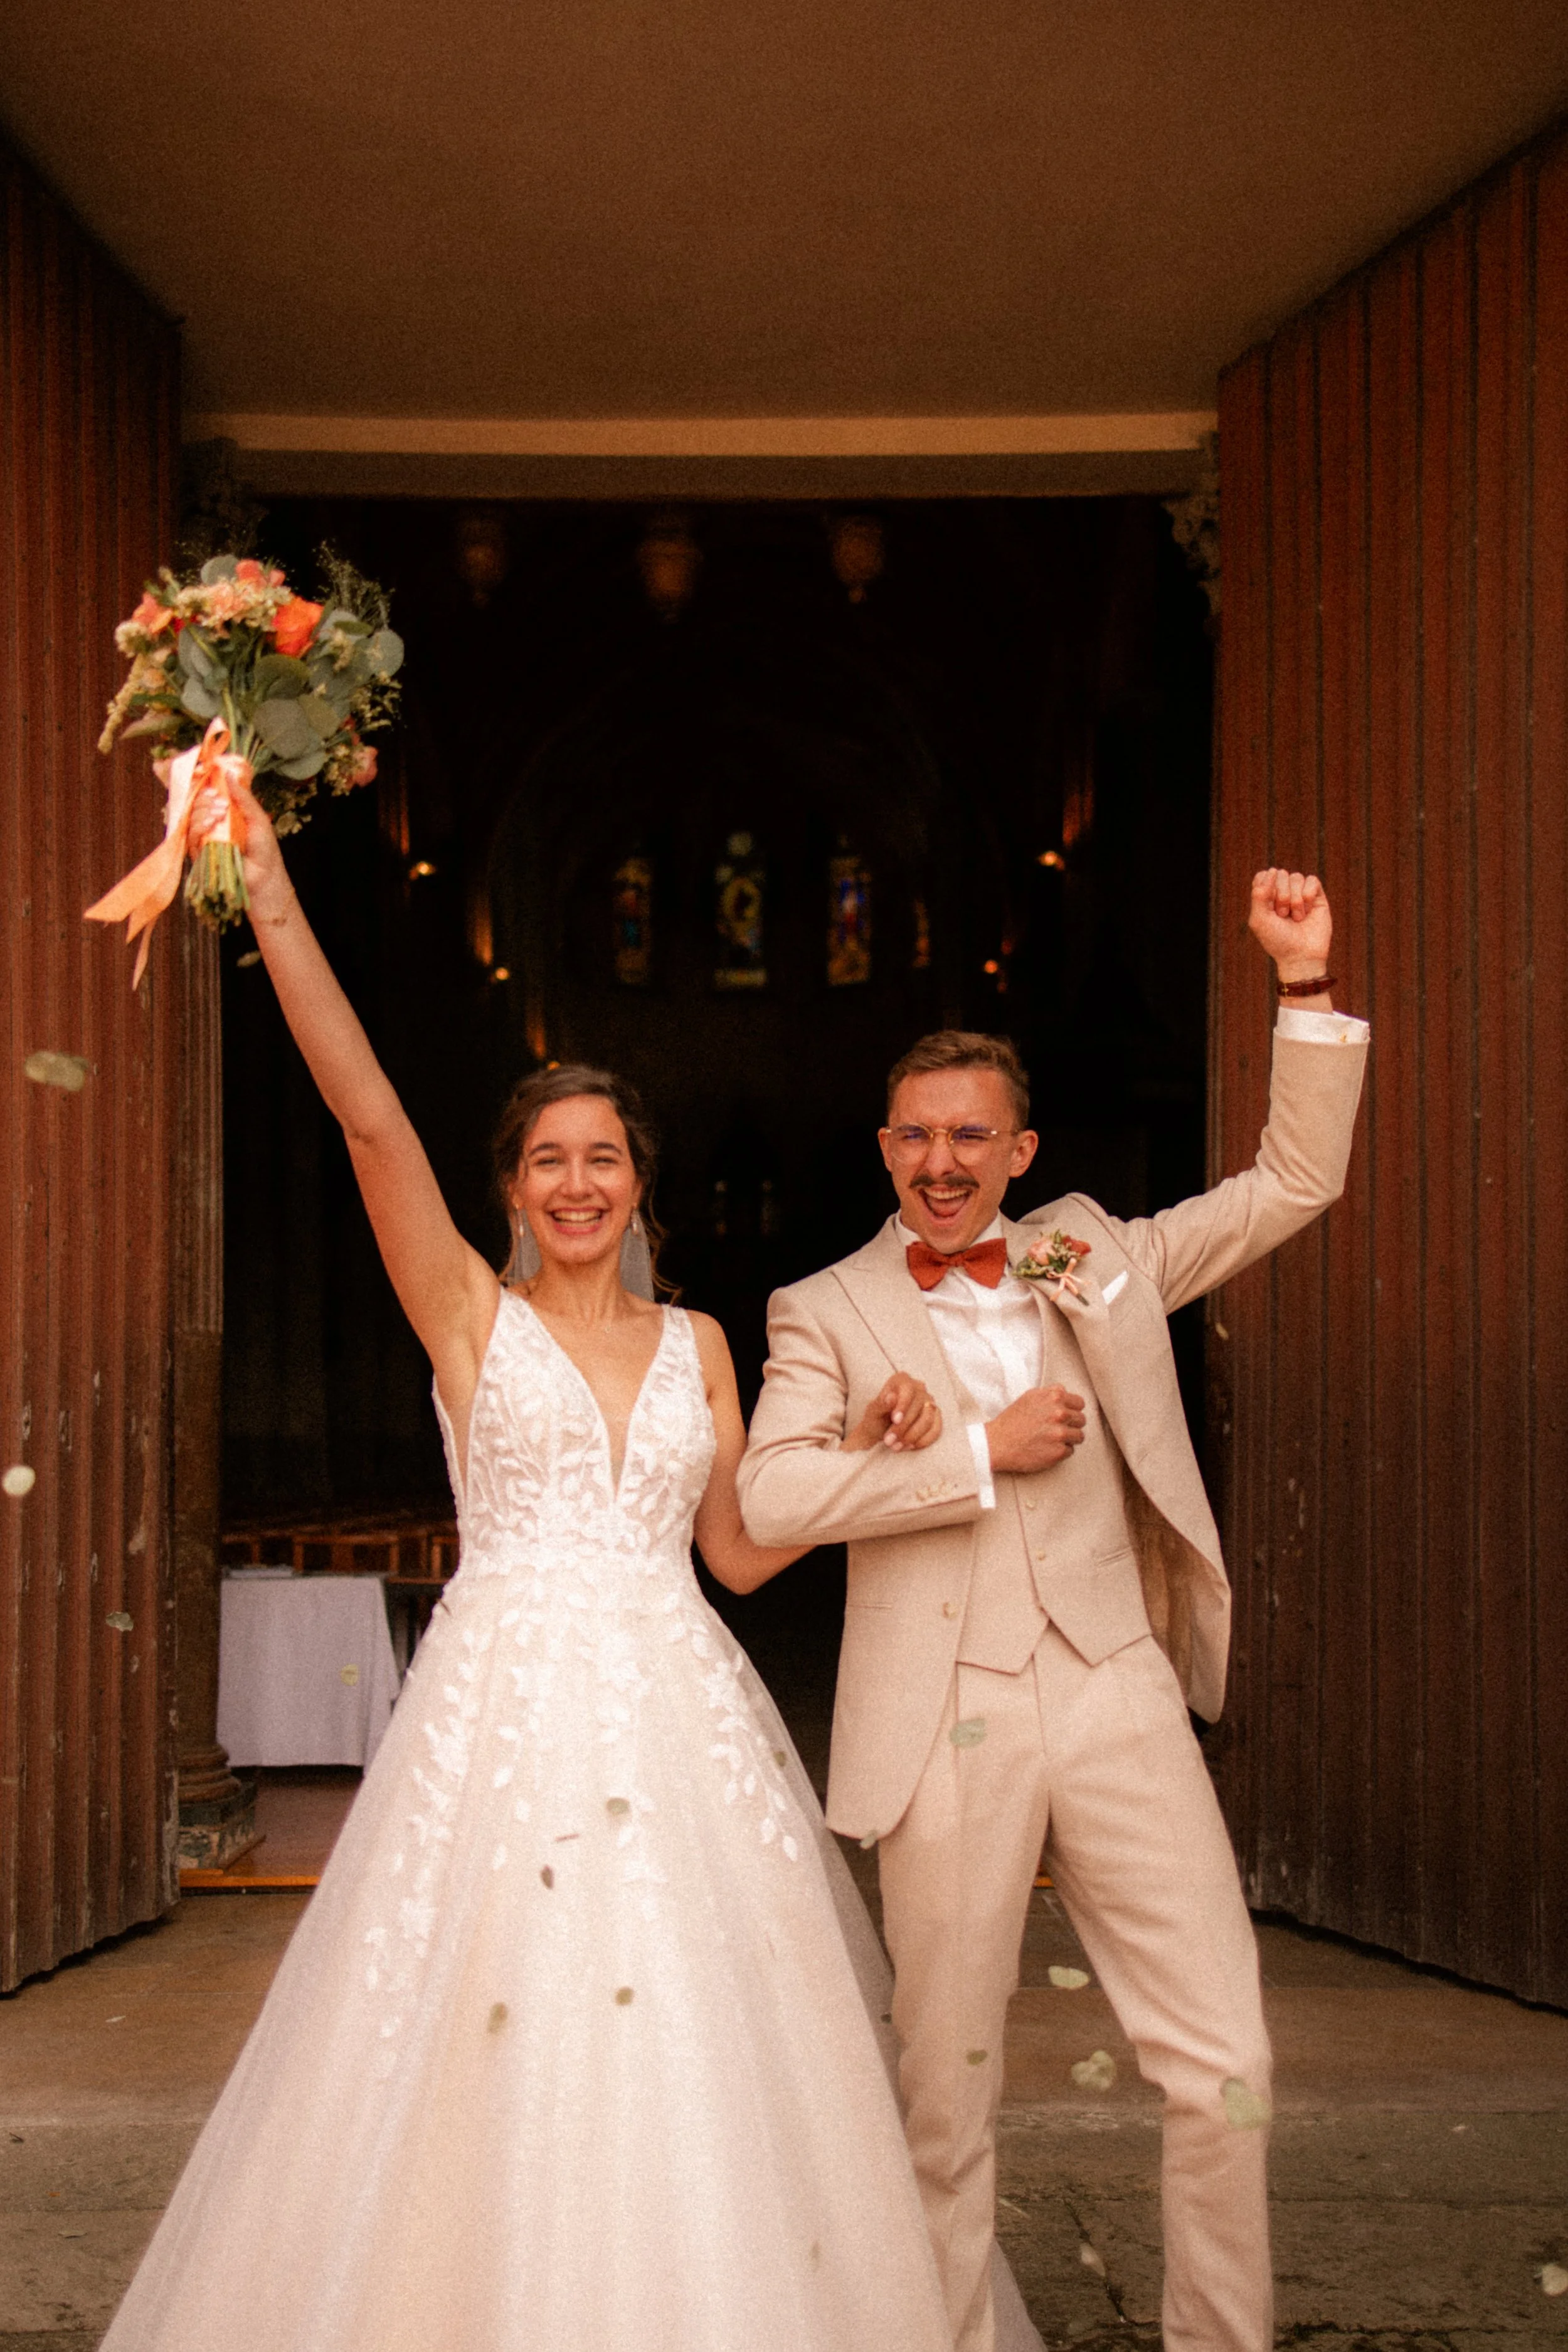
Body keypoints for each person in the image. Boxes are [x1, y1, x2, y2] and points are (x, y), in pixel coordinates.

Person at [100, 773, 965, 2352]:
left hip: (677, 1708)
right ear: (510, 1187)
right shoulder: (465, 1320)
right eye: (548, 1162)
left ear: (640, 1181)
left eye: (604, 1160)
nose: (577, 1185)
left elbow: (742, 1557)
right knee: (470, 2023)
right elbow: (364, 1106)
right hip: (497, 1714)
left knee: (700, 2040)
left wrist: (881, 1454)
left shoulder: (705, 1341)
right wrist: (264, 880)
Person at [736, 871, 1370, 2352]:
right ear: (881, 1147)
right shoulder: (819, 1309)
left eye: (970, 1136)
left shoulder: (1095, 1251)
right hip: (937, 1717)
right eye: (916, 1135)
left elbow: (1292, 1184)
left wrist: (1300, 985)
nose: (941, 1162)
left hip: (1114, 1688)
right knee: (945, 2094)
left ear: (1017, 1149)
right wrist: (963, 1455)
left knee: (1223, 2057)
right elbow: (765, 1507)